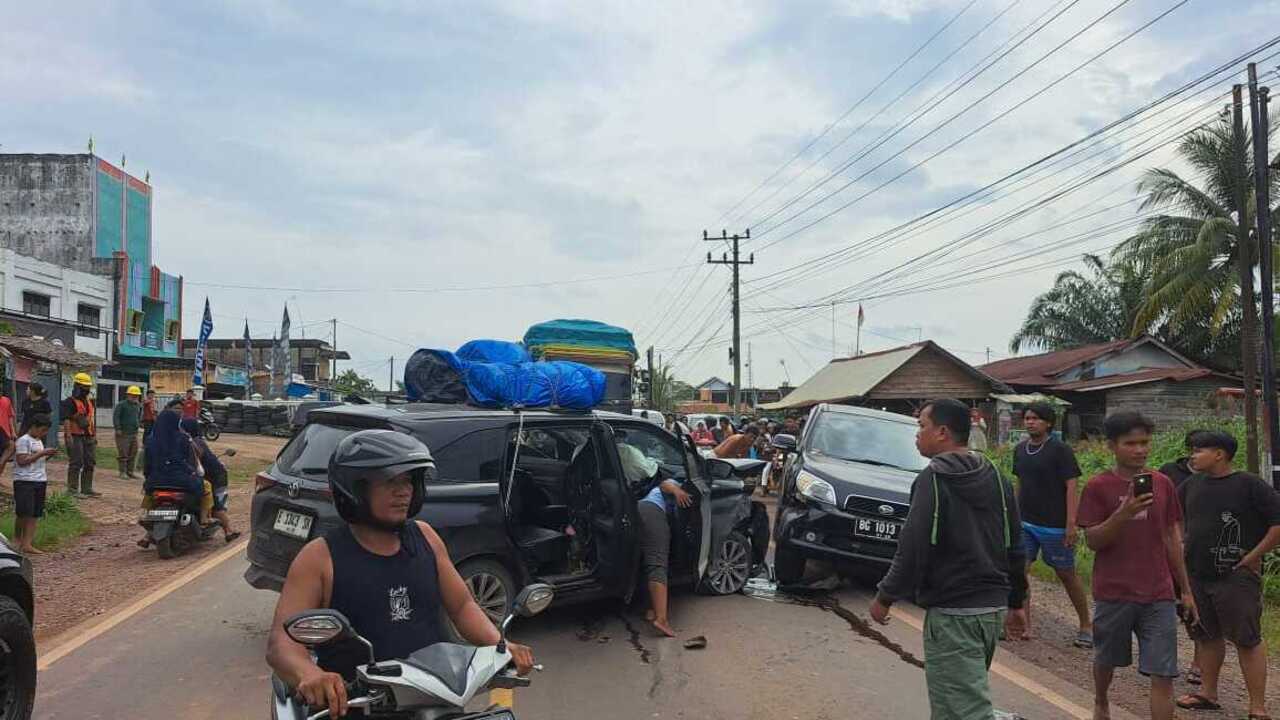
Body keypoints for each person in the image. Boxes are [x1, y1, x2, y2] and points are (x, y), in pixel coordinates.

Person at [266, 430, 535, 718]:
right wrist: (309, 673)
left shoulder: (426, 538)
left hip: (434, 699)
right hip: (357, 705)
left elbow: (463, 606)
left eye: (408, 480)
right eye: (390, 481)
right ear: (353, 488)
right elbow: (281, 643)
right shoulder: (320, 557)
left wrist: (500, 646)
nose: (403, 491)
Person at [870, 398, 1027, 719]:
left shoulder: (933, 479)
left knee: (961, 712)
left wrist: (885, 596)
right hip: (990, 612)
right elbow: (1015, 544)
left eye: (921, 426)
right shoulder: (995, 475)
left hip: (954, 613)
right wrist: (1016, 601)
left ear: (942, 432)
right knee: (962, 700)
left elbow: (913, 546)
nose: (916, 434)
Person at [1077, 411, 1195, 720]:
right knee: (1106, 659)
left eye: (1144, 442)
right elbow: (1093, 541)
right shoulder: (1097, 486)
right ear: (1112, 446)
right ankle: (1101, 700)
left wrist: (1186, 590)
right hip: (1114, 591)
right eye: (1131, 443)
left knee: (1164, 672)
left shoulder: (1164, 483)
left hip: (1158, 593)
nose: (1140, 449)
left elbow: (1172, 536)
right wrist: (1123, 513)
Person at [1174, 430, 1280, 716]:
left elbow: (1277, 524)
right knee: (1206, 635)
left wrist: (1252, 557)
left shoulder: (1250, 485)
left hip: (1236, 576)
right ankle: (1208, 693)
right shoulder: (1190, 485)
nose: (1193, 456)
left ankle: (1257, 706)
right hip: (1196, 574)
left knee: (1247, 638)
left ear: (1219, 454)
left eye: (1199, 451)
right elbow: (1176, 520)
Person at [1012, 402, 1091, 646]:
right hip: (1026, 522)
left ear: (1048, 423)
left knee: (1066, 574)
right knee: (1019, 571)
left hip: (1054, 525)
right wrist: (1013, 516)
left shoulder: (1060, 450)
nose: (1030, 422)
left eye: (1035, 418)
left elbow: (1071, 485)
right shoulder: (1021, 449)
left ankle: (1086, 623)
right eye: (1027, 418)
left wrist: (1071, 523)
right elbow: (1019, 484)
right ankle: (1024, 623)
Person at [616, 432, 693, 638]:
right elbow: (665, 484)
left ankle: (651, 611)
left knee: (645, 562)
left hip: (636, 510)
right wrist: (678, 492)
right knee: (658, 562)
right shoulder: (674, 481)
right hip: (652, 510)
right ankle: (661, 619)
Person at [139, 409, 212, 549]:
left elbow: (147, 465)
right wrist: (192, 472)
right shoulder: (183, 438)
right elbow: (189, 461)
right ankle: (204, 518)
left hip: (156, 480)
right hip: (181, 480)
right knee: (206, 486)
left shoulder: (150, 440)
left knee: (148, 492)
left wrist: (149, 478)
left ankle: (146, 516)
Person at [181, 418, 241, 543]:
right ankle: (228, 531)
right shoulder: (195, 442)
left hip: (204, 475)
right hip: (204, 475)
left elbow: (197, 461)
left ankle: (226, 529)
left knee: (212, 501)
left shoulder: (189, 442)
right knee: (216, 504)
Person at [12, 415, 56, 554]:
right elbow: (22, 461)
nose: (43, 434)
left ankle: (27, 543)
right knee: (23, 512)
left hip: (39, 479)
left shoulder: (38, 441)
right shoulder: (23, 441)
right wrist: (42, 453)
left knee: (34, 513)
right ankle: (17, 539)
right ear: (34, 427)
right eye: (42, 430)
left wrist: (47, 455)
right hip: (25, 480)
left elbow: (36, 460)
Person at [61, 373, 99, 497]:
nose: (87, 390)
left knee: (90, 462)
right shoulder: (69, 402)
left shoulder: (89, 402)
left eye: (88, 387)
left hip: (88, 435)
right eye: (84, 387)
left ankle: (87, 488)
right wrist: (68, 436)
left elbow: (91, 419)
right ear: (77, 386)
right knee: (76, 462)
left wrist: (94, 435)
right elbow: (66, 419)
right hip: (75, 434)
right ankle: (72, 490)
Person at [113, 386, 143, 479]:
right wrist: (118, 428)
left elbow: (138, 417)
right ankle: (122, 472)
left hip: (133, 433)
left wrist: (139, 424)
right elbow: (116, 417)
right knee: (123, 453)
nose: (135, 397)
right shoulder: (121, 405)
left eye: (137, 395)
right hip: (123, 433)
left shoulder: (137, 405)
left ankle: (130, 471)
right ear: (128, 395)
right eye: (133, 395)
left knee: (133, 452)